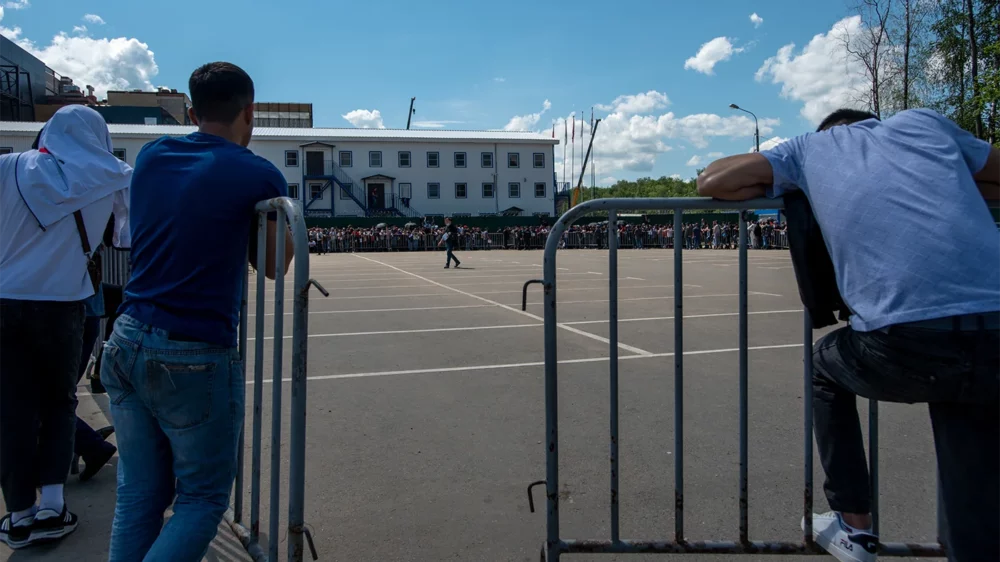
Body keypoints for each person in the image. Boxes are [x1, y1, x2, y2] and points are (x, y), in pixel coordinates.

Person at [697, 108, 1000, 562]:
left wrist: (799, 184)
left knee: (826, 365)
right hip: (993, 327)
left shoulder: (808, 147)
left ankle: (854, 527)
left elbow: (712, 180)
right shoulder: (923, 123)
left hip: (905, 340)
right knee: (970, 467)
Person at [100, 61, 293, 562]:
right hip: (191, 348)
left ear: (190, 110)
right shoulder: (257, 172)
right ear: (250, 112)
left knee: (139, 495)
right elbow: (274, 265)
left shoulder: (153, 155)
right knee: (203, 500)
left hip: (126, 337)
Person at [0, 105, 131, 549]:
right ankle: (54, 505)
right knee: (58, 404)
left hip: (4, 301)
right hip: (63, 305)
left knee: (13, 409)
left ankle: (19, 513)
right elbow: (125, 238)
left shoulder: (8, 166)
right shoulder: (113, 175)